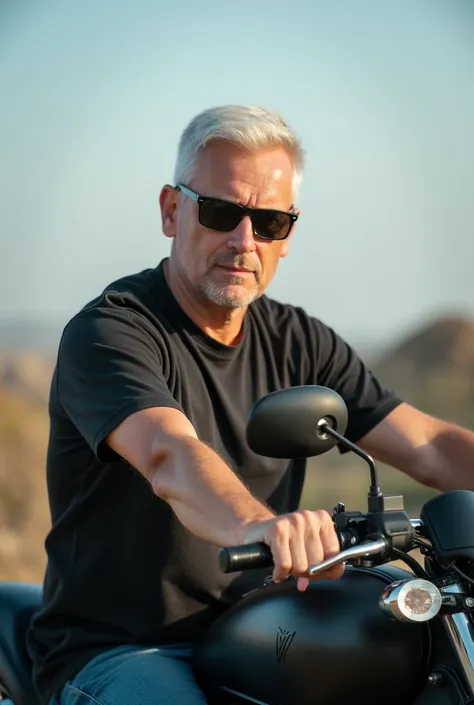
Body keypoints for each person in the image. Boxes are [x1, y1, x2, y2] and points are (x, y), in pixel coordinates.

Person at [28, 104, 474, 705]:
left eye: (269, 222)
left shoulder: (301, 341)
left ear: (287, 236)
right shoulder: (111, 332)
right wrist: (261, 524)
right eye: (221, 213)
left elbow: (427, 446)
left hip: (261, 633)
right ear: (171, 210)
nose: (244, 241)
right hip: (123, 648)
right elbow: (169, 454)